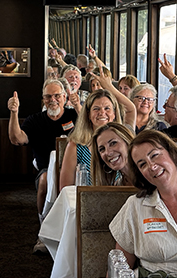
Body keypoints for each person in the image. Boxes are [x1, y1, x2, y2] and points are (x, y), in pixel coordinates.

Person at [109, 131, 177, 277]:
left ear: (172, 152)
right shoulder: (135, 206)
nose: (152, 166)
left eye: (154, 155)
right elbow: (119, 269)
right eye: (142, 164)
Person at [8, 80, 79, 214]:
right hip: (46, 168)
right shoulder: (35, 120)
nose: (53, 100)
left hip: (75, 168)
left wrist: (78, 106)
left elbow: (89, 129)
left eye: (57, 95)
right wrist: (14, 112)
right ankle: (43, 219)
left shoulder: (74, 115)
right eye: (48, 96)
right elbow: (16, 139)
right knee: (45, 179)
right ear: (43, 100)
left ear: (64, 97)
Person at [60, 90, 122, 189]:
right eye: (96, 109)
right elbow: (65, 189)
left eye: (107, 108)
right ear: (88, 115)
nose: (102, 112)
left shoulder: (123, 144)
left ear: (114, 114)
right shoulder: (75, 146)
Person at [92, 122, 137, 186]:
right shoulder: (118, 185)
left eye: (113, 143)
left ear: (127, 142)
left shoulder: (150, 177)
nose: (108, 153)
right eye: (102, 149)